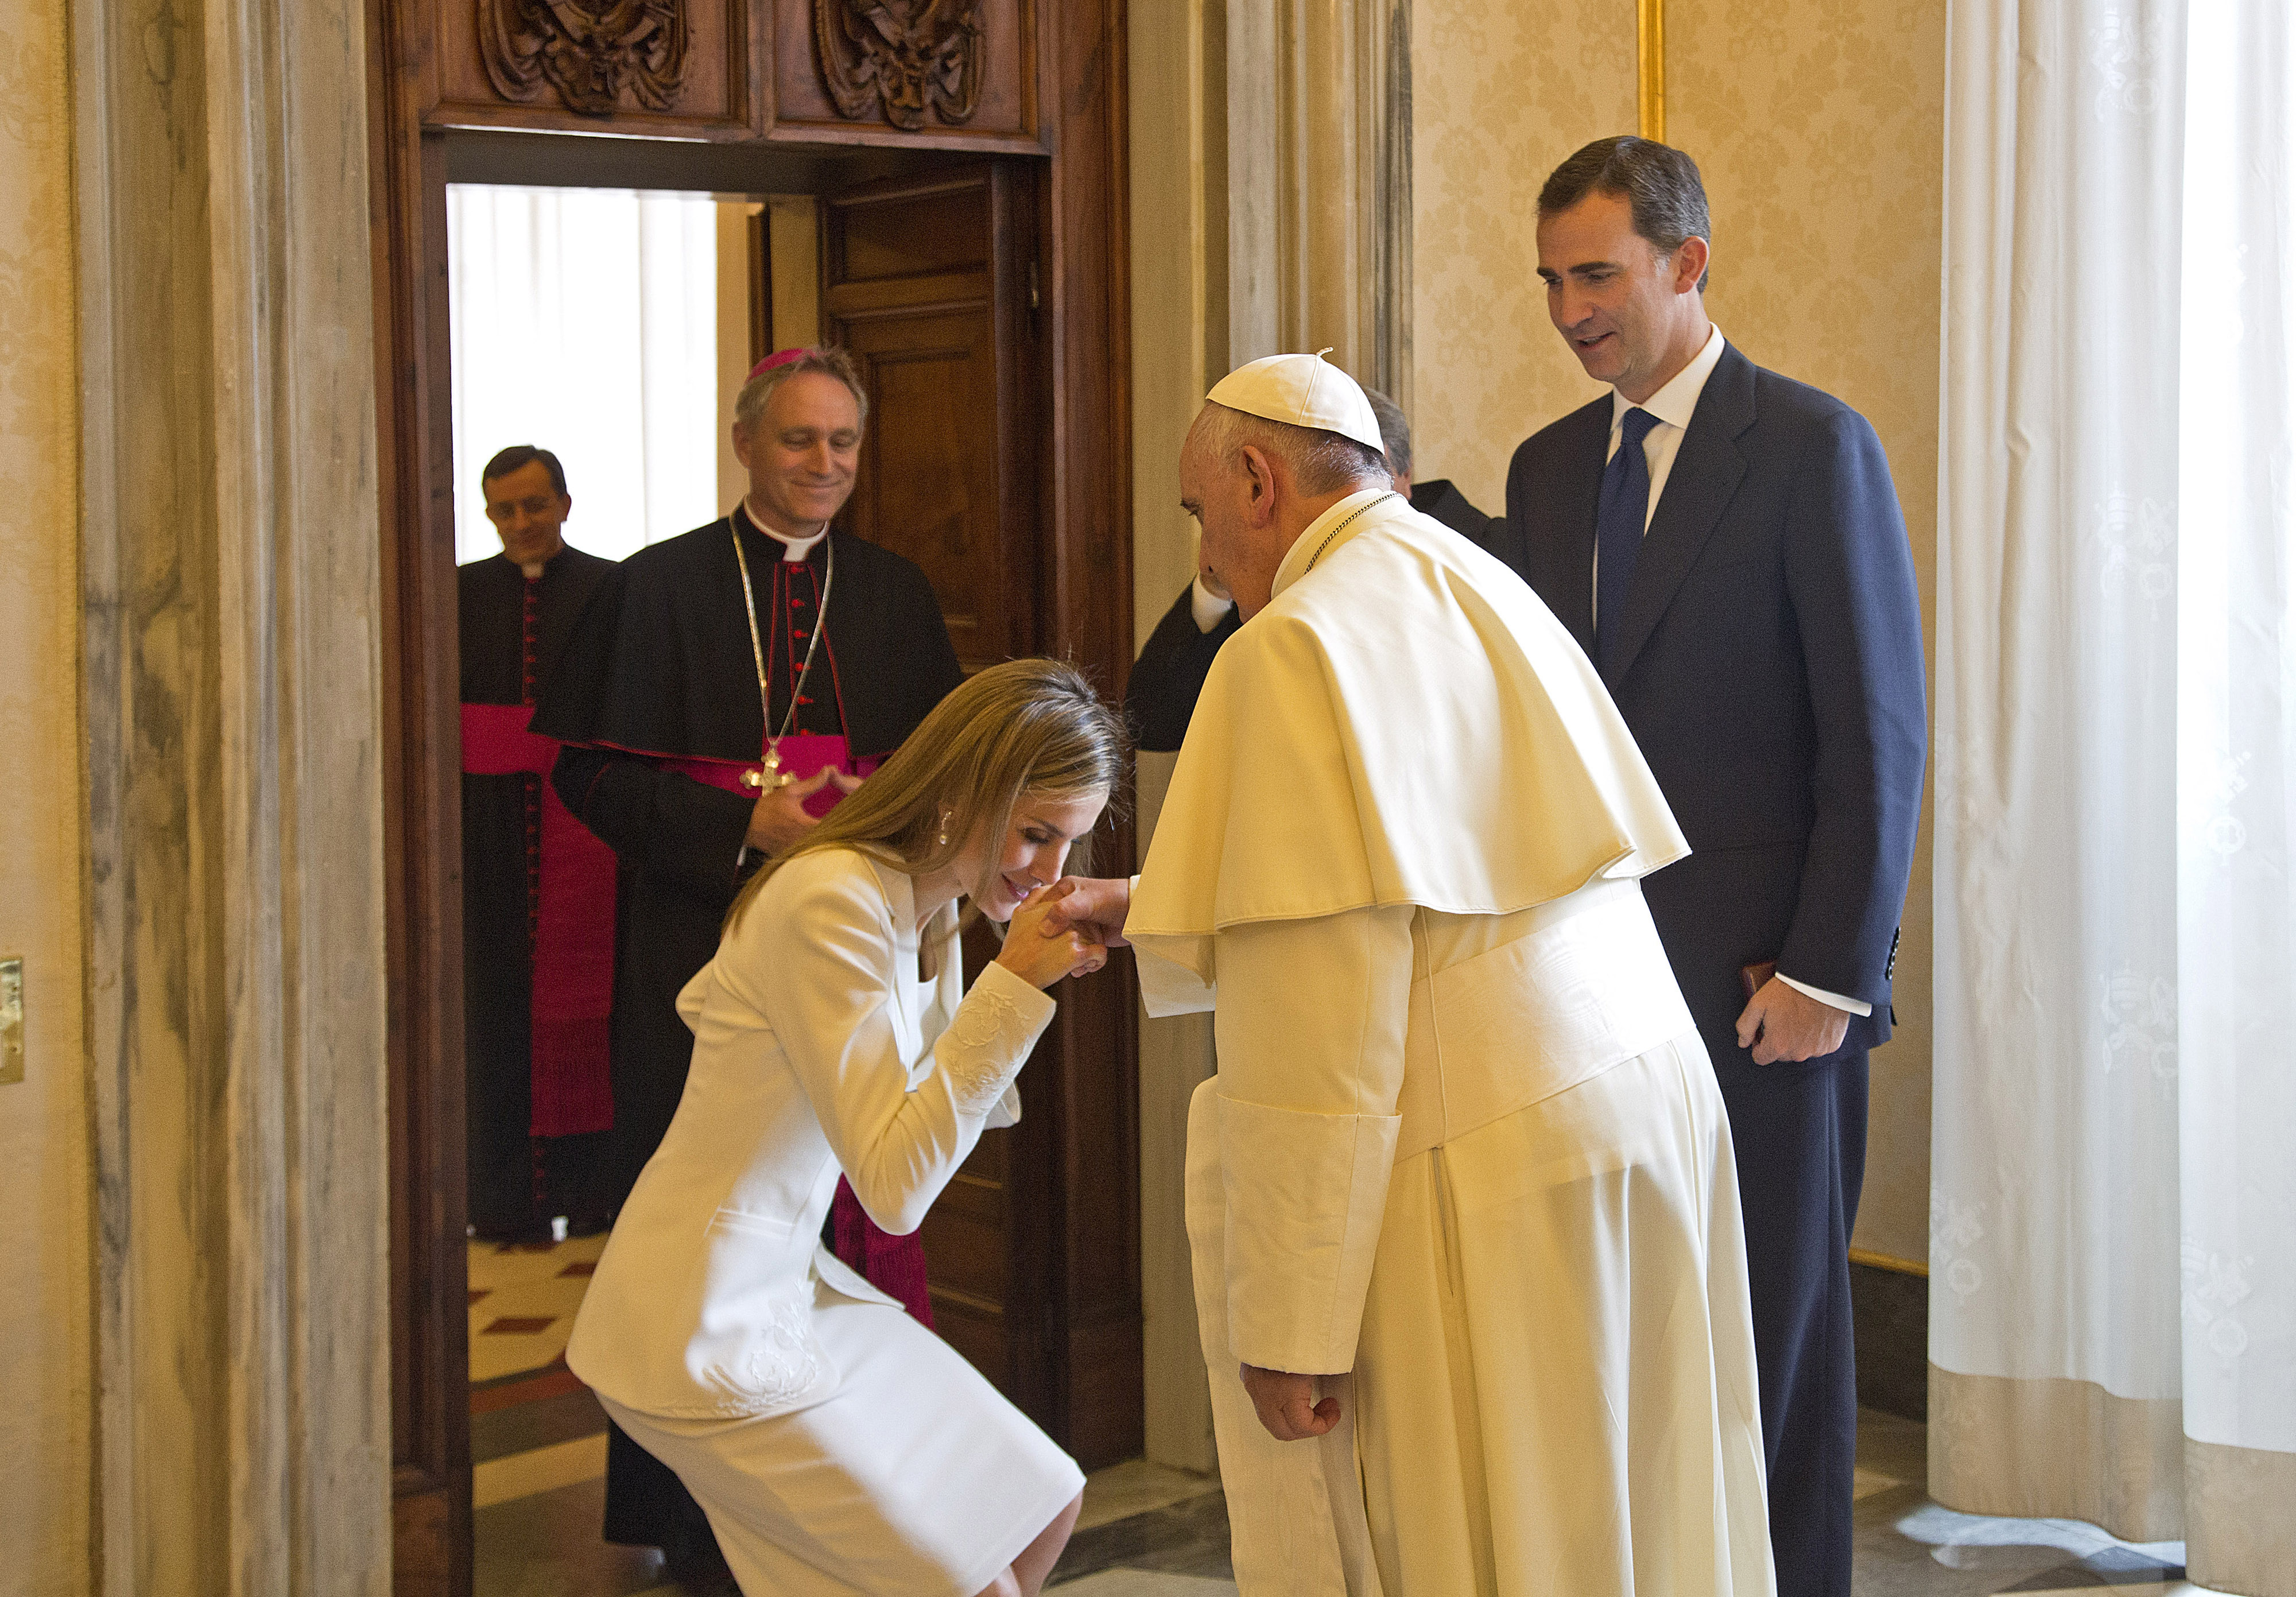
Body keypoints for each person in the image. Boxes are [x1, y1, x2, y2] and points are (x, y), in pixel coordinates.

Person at [1049, 352, 1773, 1595]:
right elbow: (1428, 877)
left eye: (1198, 509)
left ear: (1260, 480)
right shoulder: (1467, 574)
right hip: (1636, 1102)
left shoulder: (1288, 646)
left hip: (1478, 1158)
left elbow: (1315, 1015)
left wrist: (1287, 1322)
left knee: (1488, 1536)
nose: (1206, 553)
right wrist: (1172, 898)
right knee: (1635, 1507)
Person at [1491, 137, 1926, 1597]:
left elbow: (1875, 734)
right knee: (1636, 1334)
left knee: (1775, 1340)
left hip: (1765, 990)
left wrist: (1829, 976)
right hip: (1593, 992)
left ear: (1687, 264)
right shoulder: (1546, 469)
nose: (1567, 310)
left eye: (1595, 274)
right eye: (1551, 279)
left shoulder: (1811, 446)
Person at [534, 346, 966, 1576]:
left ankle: (858, 1485)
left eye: (842, 443)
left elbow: (936, 769)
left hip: (852, 961)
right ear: (745, 445)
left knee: (842, 1200)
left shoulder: (891, 590)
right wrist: (743, 826)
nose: (823, 464)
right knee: (710, 1226)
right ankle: (693, 1519)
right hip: (692, 959)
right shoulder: (656, 588)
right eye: (798, 441)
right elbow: (589, 770)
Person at [565, 658, 1120, 1597]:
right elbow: (897, 1188)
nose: (1050, 874)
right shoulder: (832, 899)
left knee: (1043, 1500)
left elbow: (951, 1113)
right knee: (967, 1583)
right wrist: (1015, 988)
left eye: (1069, 844)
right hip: (700, 1319)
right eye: (1036, 834)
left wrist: (1012, 974)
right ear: (964, 791)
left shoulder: (929, 904)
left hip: (796, 1289)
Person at [1126, 381, 1491, 754]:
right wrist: (1216, 589)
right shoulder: (1265, 556)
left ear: (1402, 476)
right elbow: (1149, 722)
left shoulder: (1488, 553)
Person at [458, 444, 619, 1243]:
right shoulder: (458, 591)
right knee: (494, 1010)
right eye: (502, 510)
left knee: (592, 1006)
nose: (520, 524)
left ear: (563, 502)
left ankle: (593, 1191)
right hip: (486, 832)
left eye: (533, 505)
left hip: (584, 820)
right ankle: (505, 1201)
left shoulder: (612, 589)